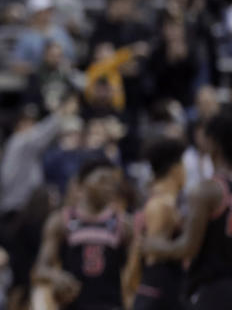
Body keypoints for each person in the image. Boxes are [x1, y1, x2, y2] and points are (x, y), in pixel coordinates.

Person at [143, 108, 232, 309]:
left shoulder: (208, 190)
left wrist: (153, 245)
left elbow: (187, 247)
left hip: (213, 291)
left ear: (213, 143)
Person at [33, 156, 132, 310]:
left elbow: (133, 273)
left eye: (112, 183)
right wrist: (56, 277)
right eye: (102, 181)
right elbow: (39, 270)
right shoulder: (61, 221)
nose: (109, 187)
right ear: (82, 184)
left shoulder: (123, 223)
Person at [124, 138, 185, 310]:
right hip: (158, 292)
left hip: (162, 290)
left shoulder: (160, 201)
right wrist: (129, 290)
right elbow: (149, 253)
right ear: (176, 169)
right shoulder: (161, 204)